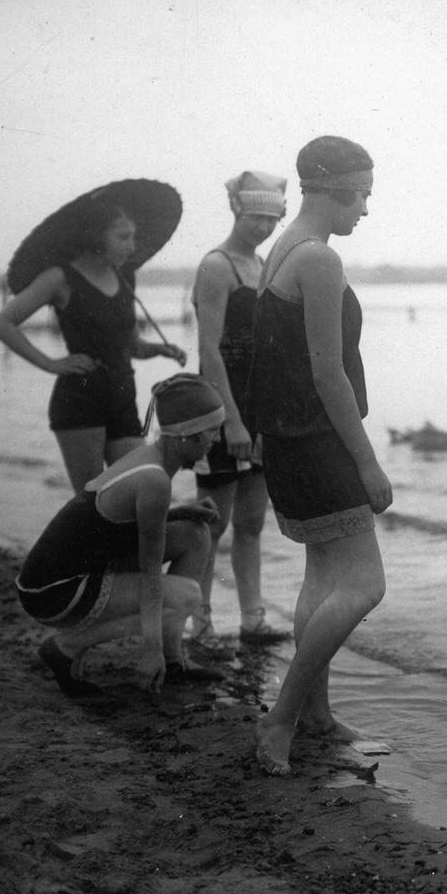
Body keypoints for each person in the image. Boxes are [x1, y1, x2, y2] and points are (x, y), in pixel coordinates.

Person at [242, 136, 393, 776]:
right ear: (331, 190)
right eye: (361, 195)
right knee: (363, 585)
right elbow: (328, 374)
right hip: (321, 443)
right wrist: (368, 463)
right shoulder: (320, 263)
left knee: (322, 582)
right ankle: (281, 718)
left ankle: (318, 717)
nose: (364, 209)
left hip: (286, 441)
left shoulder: (283, 250)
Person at [17, 373, 228, 697]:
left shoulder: (150, 459)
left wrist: (182, 511)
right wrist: (149, 650)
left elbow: (116, 529)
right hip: (53, 593)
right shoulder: (154, 480)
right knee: (186, 595)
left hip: (53, 579)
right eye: (210, 431)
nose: (215, 439)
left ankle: (173, 661)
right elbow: (150, 573)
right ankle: (66, 648)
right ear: (184, 435)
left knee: (194, 534)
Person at [0, 196, 187, 494]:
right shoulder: (60, 278)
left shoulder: (125, 277)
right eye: (123, 237)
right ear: (96, 235)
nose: (132, 246)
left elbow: (132, 346)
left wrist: (159, 349)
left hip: (122, 396)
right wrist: (51, 363)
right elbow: (2, 323)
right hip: (80, 400)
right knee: (89, 502)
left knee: (142, 490)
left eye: (133, 237)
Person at [187, 171, 293, 653]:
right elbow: (209, 349)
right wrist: (228, 418)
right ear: (236, 210)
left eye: (272, 219)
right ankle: (200, 623)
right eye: (255, 217)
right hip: (219, 404)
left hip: (260, 407)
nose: (263, 227)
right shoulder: (217, 265)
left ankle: (252, 618)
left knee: (251, 522)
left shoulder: (264, 265)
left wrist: (266, 416)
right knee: (212, 522)